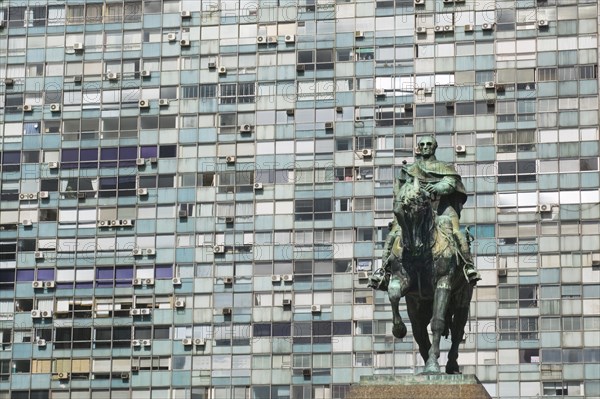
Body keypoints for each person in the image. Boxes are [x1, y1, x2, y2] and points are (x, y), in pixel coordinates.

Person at [398, 135, 481, 285]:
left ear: (434, 147)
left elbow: (451, 183)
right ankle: (383, 272)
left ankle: (468, 266)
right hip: (415, 209)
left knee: (456, 232)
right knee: (395, 233)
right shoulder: (410, 169)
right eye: (421, 144)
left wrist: (438, 187)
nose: (425, 147)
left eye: (428, 144)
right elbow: (401, 190)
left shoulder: (445, 166)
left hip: (442, 207)